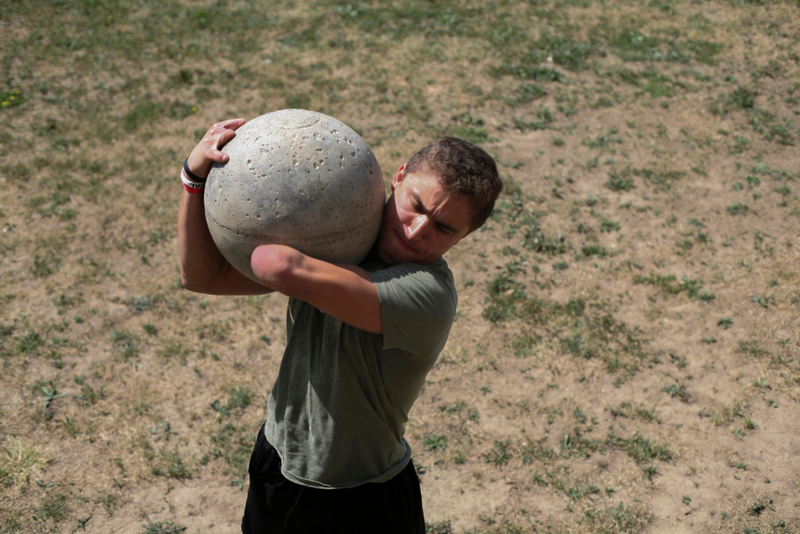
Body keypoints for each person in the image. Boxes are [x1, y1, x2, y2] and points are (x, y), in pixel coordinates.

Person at [178, 117, 502, 533]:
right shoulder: (340, 242)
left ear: (463, 238)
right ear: (398, 177)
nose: (416, 230)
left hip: (362, 498)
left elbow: (275, 265)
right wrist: (194, 179)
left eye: (444, 228)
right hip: (278, 457)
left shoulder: (427, 296)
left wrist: (305, 212)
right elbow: (201, 278)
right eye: (416, 205)